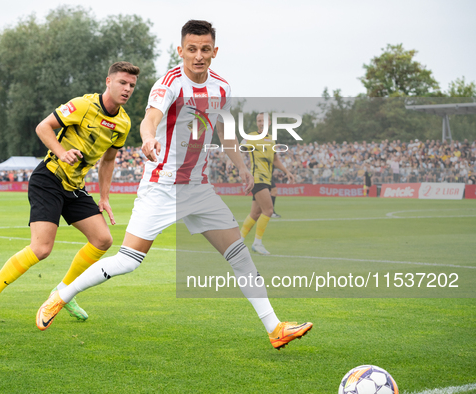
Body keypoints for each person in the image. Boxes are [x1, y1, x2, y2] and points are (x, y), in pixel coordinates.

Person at [36, 20, 312, 351]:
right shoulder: (169, 83)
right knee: (128, 260)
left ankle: (275, 328)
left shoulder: (221, 87)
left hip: (199, 188)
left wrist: (241, 167)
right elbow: (149, 118)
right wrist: (149, 138)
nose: (198, 56)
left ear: (215, 52)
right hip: (161, 186)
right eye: (191, 49)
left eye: (205, 49)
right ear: (180, 51)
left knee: (239, 254)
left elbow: (223, 130)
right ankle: (61, 295)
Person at [0, 61, 140, 329]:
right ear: (108, 81)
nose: (127, 89)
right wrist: (62, 153)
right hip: (48, 178)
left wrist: (104, 197)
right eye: (122, 82)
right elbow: (42, 127)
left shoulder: (123, 122)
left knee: (102, 240)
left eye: (132, 85)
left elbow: (108, 161)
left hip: (74, 186)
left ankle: (62, 293)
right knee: (41, 248)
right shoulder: (83, 106)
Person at [240, 113, 294, 255]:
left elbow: (275, 160)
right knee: (268, 210)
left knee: (255, 213)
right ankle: (257, 243)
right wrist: (233, 163)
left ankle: (238, 242)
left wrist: (287, 171)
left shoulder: (272, 139)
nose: (261, 123)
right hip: (256, 178)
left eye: (263, 121)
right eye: (258, 121)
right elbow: (238, 150)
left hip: (267, 179)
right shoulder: (250, 137)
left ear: (269, 122)